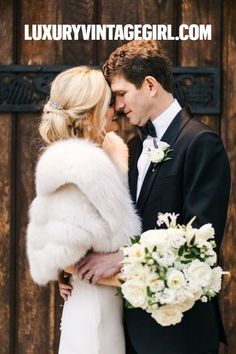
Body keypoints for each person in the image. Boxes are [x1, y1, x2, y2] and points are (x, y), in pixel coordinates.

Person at [60, 41, 231, 354]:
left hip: (179, 333)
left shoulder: (201, 143)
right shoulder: (133, 147)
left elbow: (201, 243)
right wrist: (71, 268)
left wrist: (121, 258)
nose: (119, 105)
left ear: (150, 85)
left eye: (122, 94)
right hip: (128, 328)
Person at [26, 66, 141, 354]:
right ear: (92, 112)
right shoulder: (81, 164)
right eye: (109, 102)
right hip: (96, 306)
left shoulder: (106, 153)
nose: (116, 109)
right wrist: (68, 265)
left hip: (108, 300)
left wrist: (67, 267)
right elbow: (67, 243)